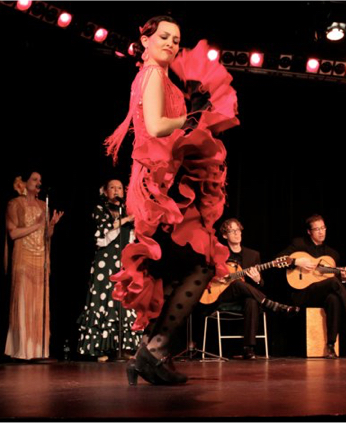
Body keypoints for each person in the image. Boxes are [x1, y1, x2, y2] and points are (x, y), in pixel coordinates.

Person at [103, 16, 239, 385]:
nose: (171, 44)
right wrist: (190, 118)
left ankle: (151, 354)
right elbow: (156, 125)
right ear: (145, 39)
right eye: (163, 36)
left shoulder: (160, 77)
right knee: (201, 265)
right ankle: (153, 351)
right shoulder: (150, 75)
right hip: (156, 191)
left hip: (163, 185)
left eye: (176, 40)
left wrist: (193, 117)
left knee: (171, 272)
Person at [278, 214, 346, 359]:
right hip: (302, 294)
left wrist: (344, 278)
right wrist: (297, 261)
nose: (321, 232)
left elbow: (333, 281)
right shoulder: (299, 244)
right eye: (317, 229)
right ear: (309, 232)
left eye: (323, 228)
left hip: (321, 295)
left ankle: (330, 346)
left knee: (334, 298)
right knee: (334, 284)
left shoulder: (332, 254)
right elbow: (278, 260)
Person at [206, 218, 299, 360]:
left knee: (251, 300)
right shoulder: (219, 253)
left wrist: (257, 280)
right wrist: (217, 277)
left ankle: (248, 348)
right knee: (236, 283)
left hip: (245, 295)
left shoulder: (253, 255)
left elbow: (260, 284)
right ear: (225, 235)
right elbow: (207, 273)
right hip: (222, 294)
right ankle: (273, 305)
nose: (237, 234)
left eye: (238, 230)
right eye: (232, 231)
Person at [77, 179, 142, 361]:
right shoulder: (100, 209)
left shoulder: (127, 211)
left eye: (119, 188)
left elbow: (134, 235)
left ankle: (125, 346)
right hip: (105, 260)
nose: (116, 190)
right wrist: (127, 219)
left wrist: (134, 220)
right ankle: (100, 348)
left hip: (123, 259)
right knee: (103, 298)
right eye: (112, 188)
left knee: (124, 300)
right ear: (105, 191)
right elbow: (103, 229)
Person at [4, 171, 64, 360]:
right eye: (34, 179)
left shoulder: (42, 205)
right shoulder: (14, 204)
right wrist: (39, 224)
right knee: (23, 300)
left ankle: (38, 350)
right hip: (23, 255)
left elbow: (46, 236)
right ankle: (22, 350)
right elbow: (13, 233)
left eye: (40, 180)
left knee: (39, 303)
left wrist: (51, 225)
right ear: (23, 182)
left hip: (41, 258)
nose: (38, 183)